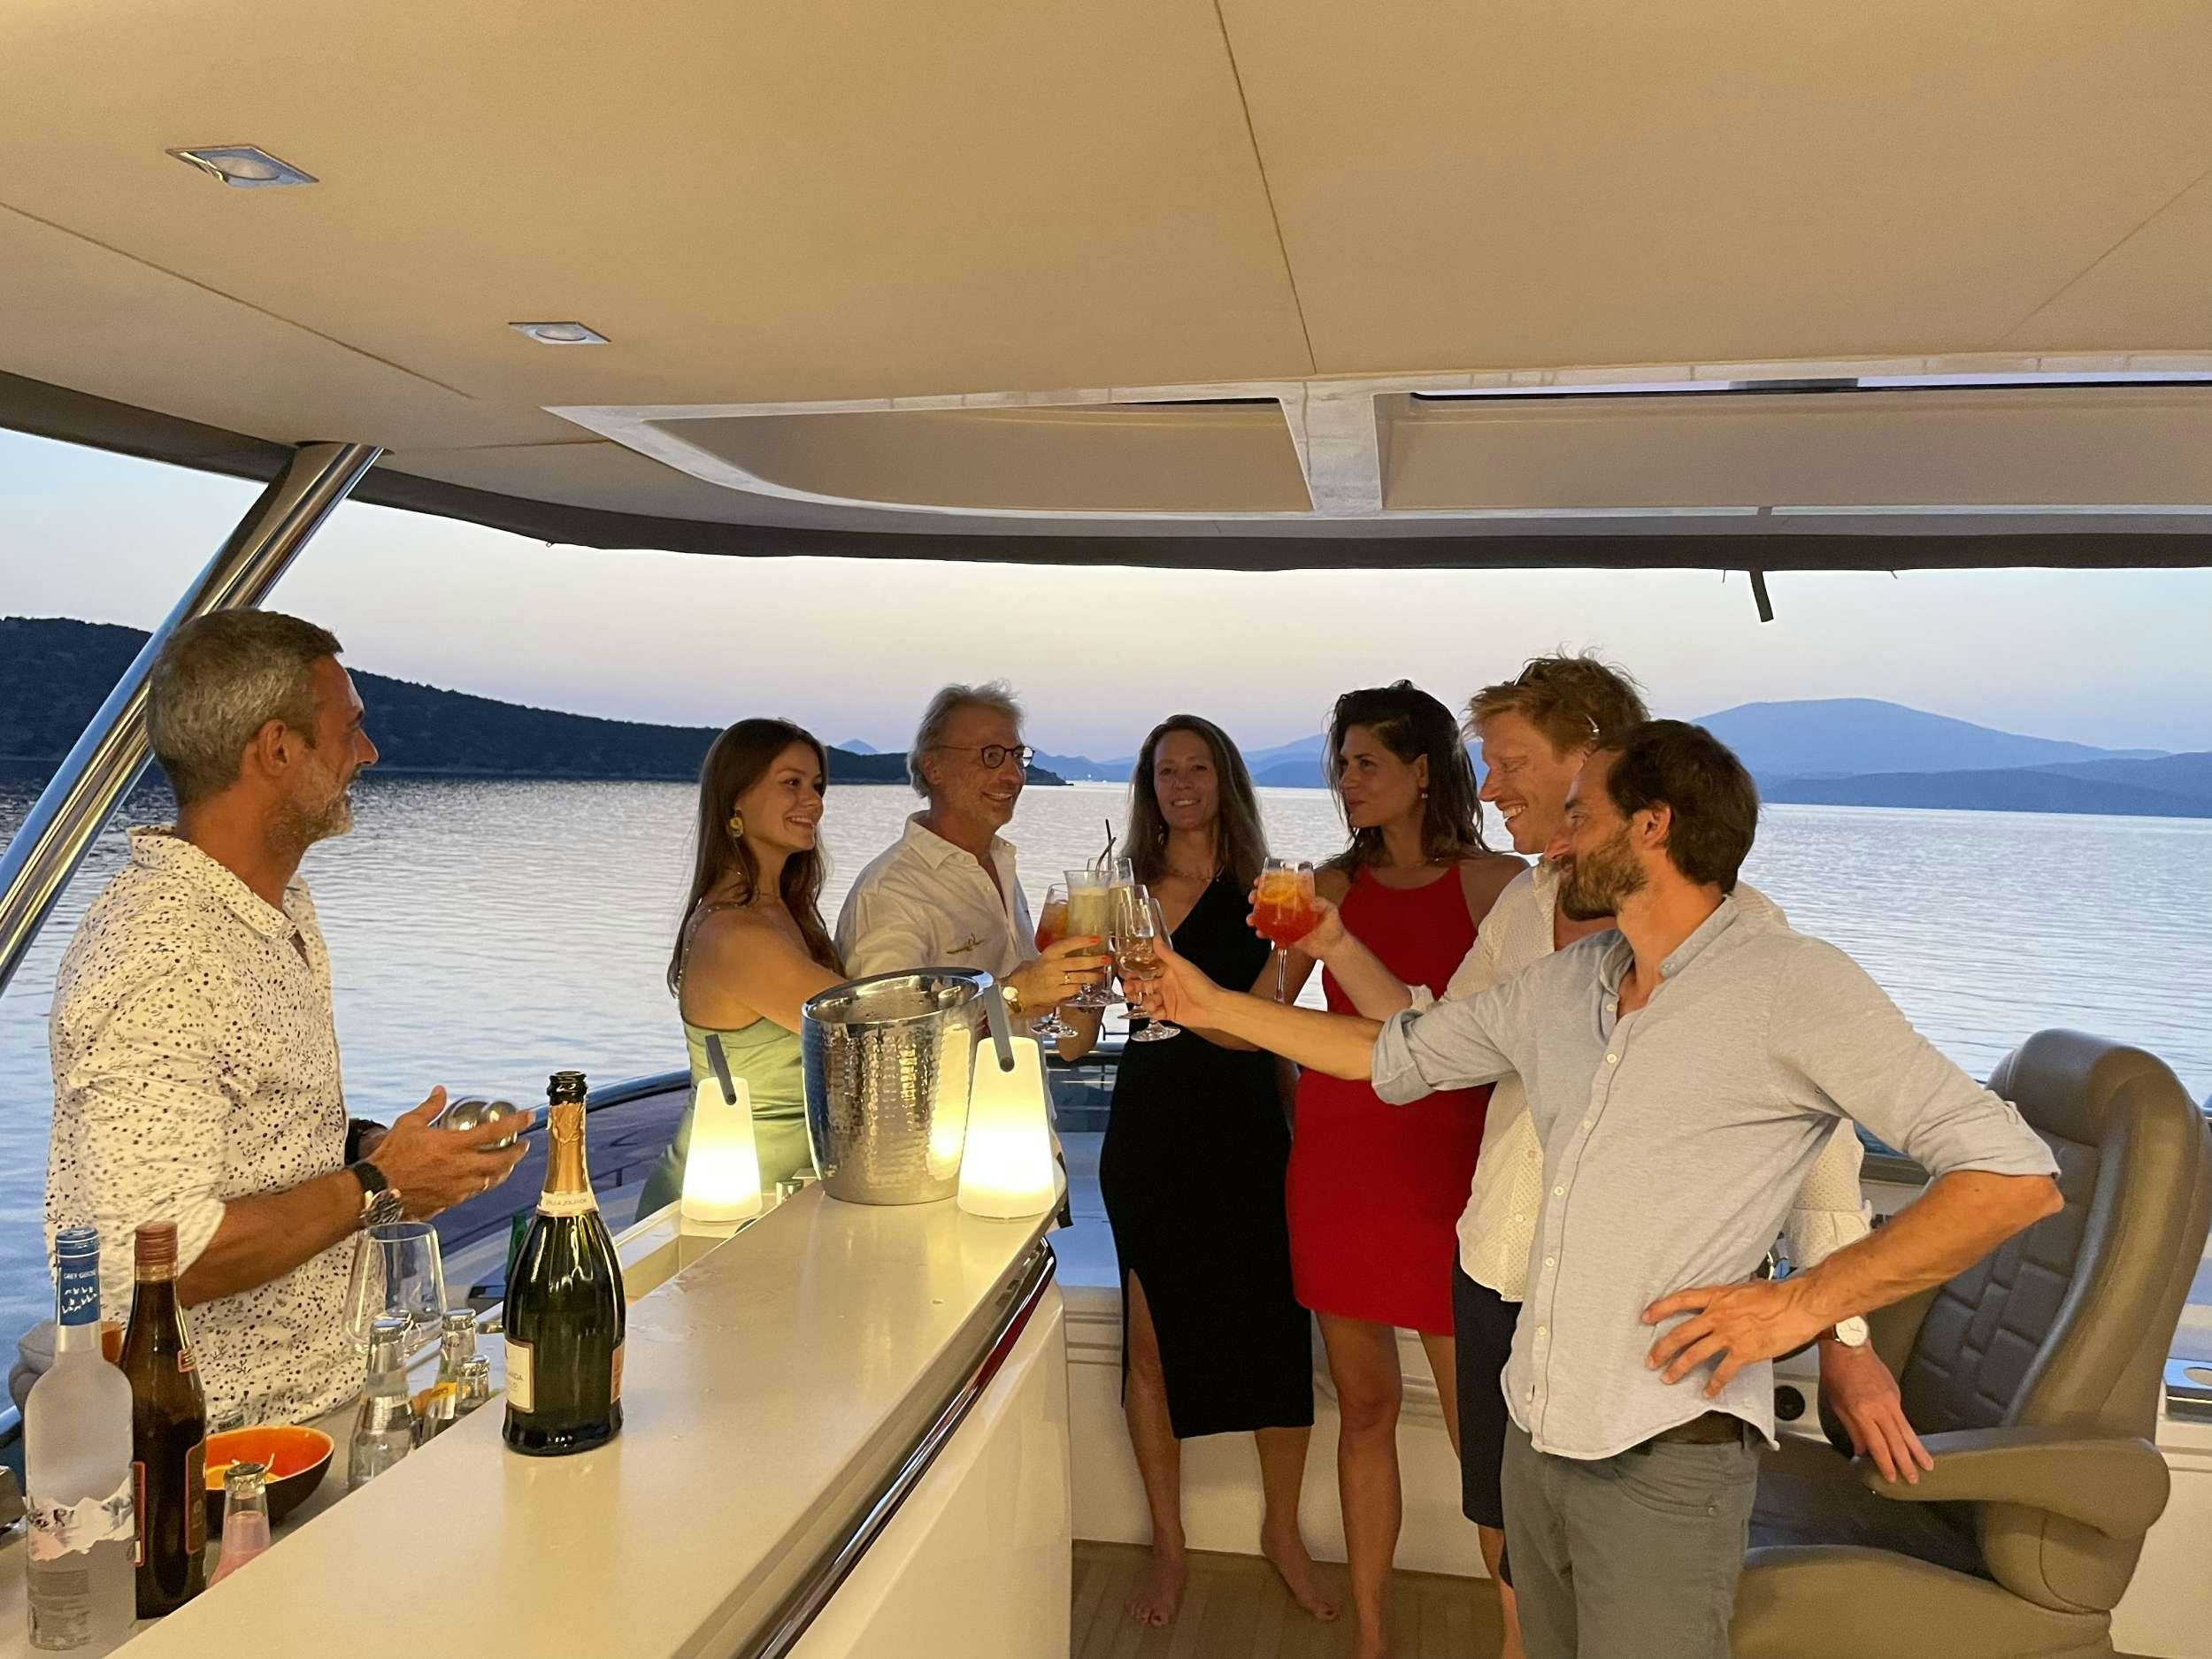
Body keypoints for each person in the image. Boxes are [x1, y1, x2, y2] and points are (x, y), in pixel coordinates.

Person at [1132, 719, 2062, 1659]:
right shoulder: (1574, 979)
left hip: (1664, 1441)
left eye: (1578, 815)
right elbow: (1399, 1052)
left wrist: (1804, 1308)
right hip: (1539, 1426)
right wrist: (1204, 1002)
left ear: (1653, 827)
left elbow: (2013, 1175)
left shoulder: (1789, 981)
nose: (1554, 839)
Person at [1305, 657, 1924, 1659]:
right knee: (1512, 1547)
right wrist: (1331, 943)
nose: (1492, 787)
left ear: (1594, 764)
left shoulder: (1744, 945)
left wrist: (1844, 1344)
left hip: (1634, 1322)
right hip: (1498, 1270)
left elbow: (1822, 1159)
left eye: (1509, 763)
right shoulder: (1527, 905)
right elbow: (1436, 1044)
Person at [44, 611, 531, 1426]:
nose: (367, 755)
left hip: (321, 1400)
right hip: (216, 1447)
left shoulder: (274, 911)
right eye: (350, 730)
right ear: (276, 749)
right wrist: (383, 1185)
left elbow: (257, 1134)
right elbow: (153, 1251)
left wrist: (366, 1146)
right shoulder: (159, 955)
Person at [1276, 682, 1522, 1659]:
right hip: (1338, 1169)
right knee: (1364, 1409)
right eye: (1340, 763)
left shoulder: (1498, 885)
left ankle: (1516, 1636)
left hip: (1446, 1180)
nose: (1347, 781)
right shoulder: (1327, 888)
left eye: (1366, 762)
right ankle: (1372, 1639)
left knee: (1482, 1437)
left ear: (1424, 773)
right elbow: (1264, 1016)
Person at [1097, 716, 1332, 1629]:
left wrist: (1305, 1132)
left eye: (1197, 767)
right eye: (1164, 770)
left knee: (1278, 1334)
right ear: (1149, 787)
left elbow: (1278, 1024)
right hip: (1150, 1128)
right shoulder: (1125, 897)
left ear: (1224, 779)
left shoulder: (1270, 894)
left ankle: (1284, 1532)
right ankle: (1168, 1546)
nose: (1180, 783)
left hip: (1246, 1129)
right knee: (1150, 1348)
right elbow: (1092, 1023)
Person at [637, 719, 847, 1221]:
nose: (813, 801)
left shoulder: (787, 911)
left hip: (789, 1195)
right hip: (720, 1208)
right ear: (736, 800)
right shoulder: (735, 935)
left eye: (816, 786)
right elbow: (867, 1028)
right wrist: (1010, 994)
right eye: (791, 783)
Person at [835, 681, 1104, 1049]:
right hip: (948, 1109)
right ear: (934, 768)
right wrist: (1012, 995)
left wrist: (1094, 978)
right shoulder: (891, 892)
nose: (1013, 775)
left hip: (1028, 1105)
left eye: (1017, 755)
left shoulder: (1000, 867)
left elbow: (1072, 1047)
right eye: (991, 755)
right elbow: (887, 1043)